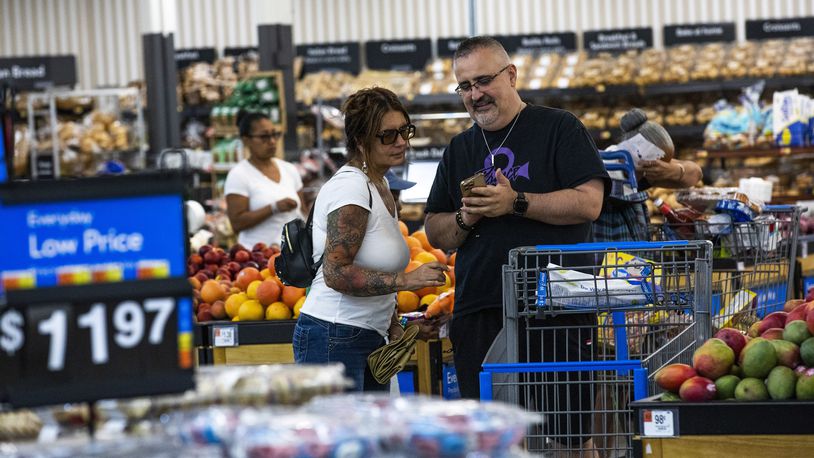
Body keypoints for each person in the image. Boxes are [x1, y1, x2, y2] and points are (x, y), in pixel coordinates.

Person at [423, 36, 609, 455]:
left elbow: (590, 202)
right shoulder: (459, 148)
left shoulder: (559, 127)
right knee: (492, 440)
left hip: (557, 306)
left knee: (570, 437)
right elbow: (436, 231)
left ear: (511, 75)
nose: (475, 94)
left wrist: (516, 202)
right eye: (465, 86)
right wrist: (465, 218)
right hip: (481, 308)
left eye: (483, 80)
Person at [293, 87, 449, 392]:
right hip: (333, 338)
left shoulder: (378, 184)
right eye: (388, 135)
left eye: (405, 131)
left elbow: (371, 265)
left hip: (364, 336)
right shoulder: (351, 189)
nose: (402, 142)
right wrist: (406, 281)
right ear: (361, 141)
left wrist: (397, 326)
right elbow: (337, 272)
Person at [593, 108, 703, 242]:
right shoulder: (605, 170)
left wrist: (673, 170)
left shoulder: (643, 168)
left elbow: (696, 174)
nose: (659, 170)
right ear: (640, 153)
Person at [223, 111, 304, 249]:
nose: (272, 141)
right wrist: (273, 208)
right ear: (246, 140)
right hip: (257, 259)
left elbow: (303, 211)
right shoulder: (239, 175)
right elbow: (236, 223)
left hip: (292, 256)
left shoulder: (289, 169)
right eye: (264, 136)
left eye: (274, 134)